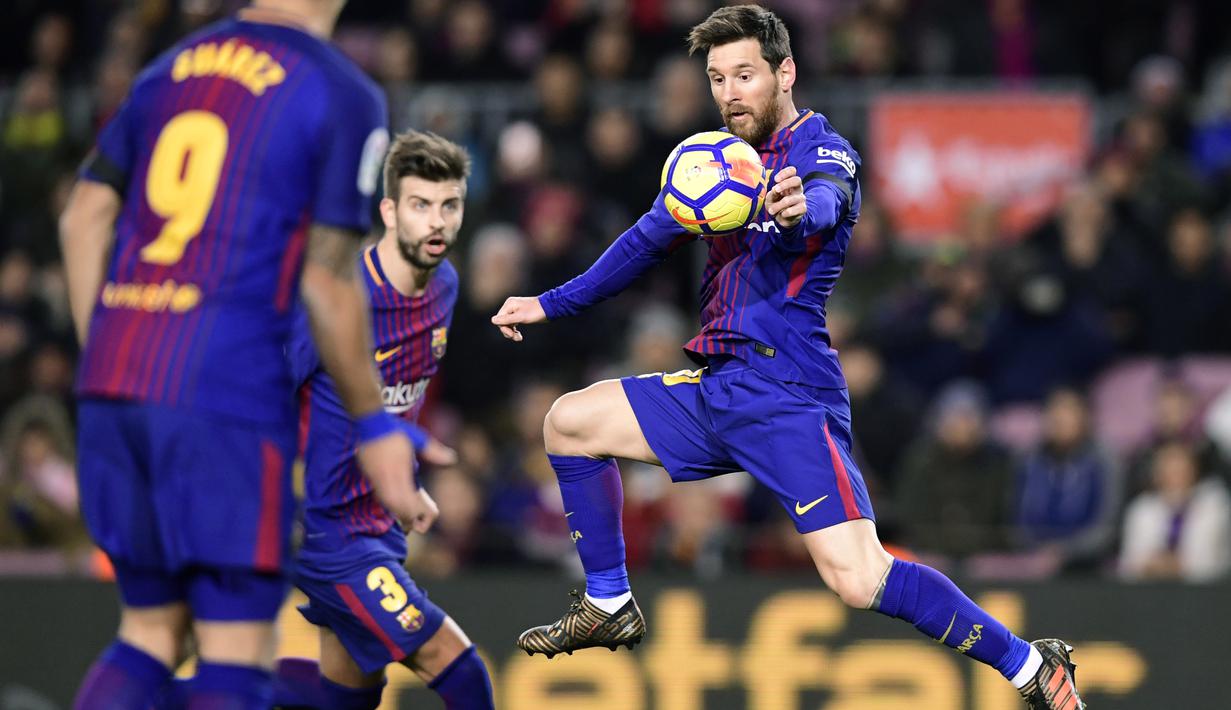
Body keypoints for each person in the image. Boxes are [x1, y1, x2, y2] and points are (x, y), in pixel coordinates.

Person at [490, 6, 1084, 709]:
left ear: (784, 72)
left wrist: (801, 206)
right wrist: (550, 303)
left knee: (859, 579)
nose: (729, 92)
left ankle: (1027, 666)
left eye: (744, 74)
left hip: (786, 394)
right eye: (716, 78)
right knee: (568, 422)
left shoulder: (821, 152)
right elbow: (645, 240)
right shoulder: (714, 162)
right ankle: (609, 601)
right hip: (717, 387)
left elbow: (829, 200)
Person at [59, 2, 429, 707]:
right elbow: (326, 279)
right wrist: (373, 422)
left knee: (150, 633)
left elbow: (81, 218)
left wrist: (104, 355)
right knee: (237, 646)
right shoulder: (339, 88)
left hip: (116, 376)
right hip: (222, 386)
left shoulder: (170, 68)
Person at [275, 130, 494, 710]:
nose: (436, 223)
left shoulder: (444, 286)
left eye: (450, 206)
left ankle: (179, 693)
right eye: (420, 206)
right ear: (390, 211)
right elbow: (265, 399)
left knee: (346, 702)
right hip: (326, 531)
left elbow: (383, 404)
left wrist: (410, 459)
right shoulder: (339, 303)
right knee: (463, 672)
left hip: (381, 525)